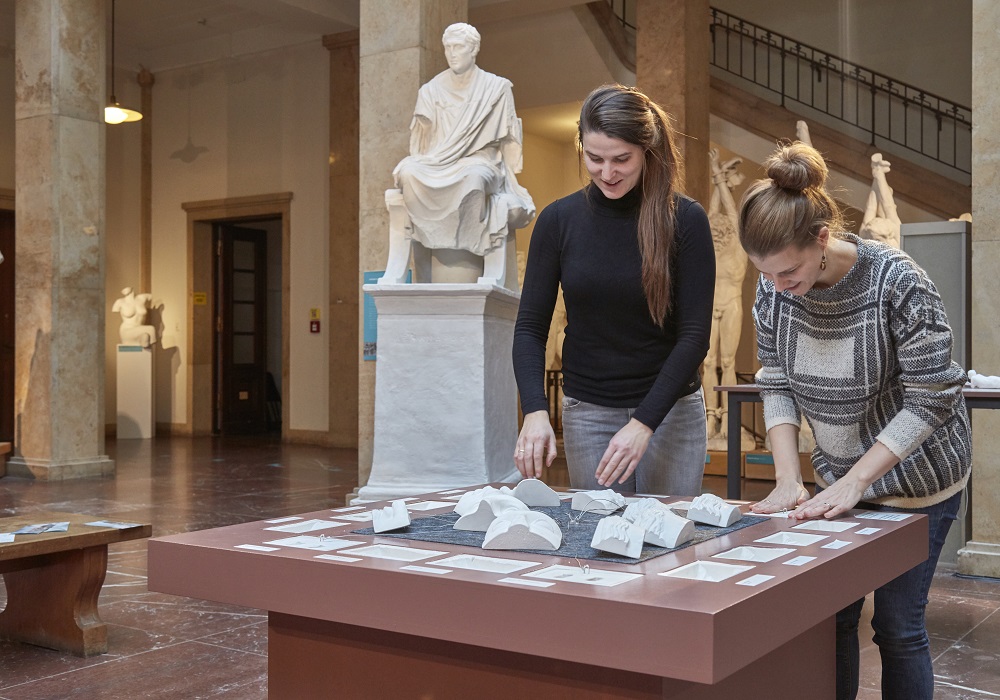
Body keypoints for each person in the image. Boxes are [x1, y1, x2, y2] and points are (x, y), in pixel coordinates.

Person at [738, 141, 971, 700]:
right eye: (764, 274)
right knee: (829, 620)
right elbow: (775, 383)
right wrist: (790, 478)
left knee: (897, 628)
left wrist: (858, 480)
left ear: (822, 239)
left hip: (918, 483)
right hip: (837, 481)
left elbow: (931, 395)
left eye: (787, 272)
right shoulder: (774, 291)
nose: (776, 286)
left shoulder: (896, 281)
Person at [512, 84, 715, 496]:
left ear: (648, 150)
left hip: (670, 413)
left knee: (670, 548)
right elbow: (530, 327)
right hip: (588, 413)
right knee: (602, 548)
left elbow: (693, 337)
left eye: (622, 159)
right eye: (595, 158)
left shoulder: (686, 220)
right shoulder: (558, 221)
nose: (607, 173)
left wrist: (644, 422)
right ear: (581, 147)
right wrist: (535, 410)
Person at [381, 22, 535, 287]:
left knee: (473, 178)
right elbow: (422, 144)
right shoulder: (430, 90)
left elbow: (508, 143)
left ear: (474, 49)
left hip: (480, 160)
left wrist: (508, 175)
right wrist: (426, 157)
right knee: (407, 171)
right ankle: (430, 236)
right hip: (437, 161)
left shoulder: (495, 88)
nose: (452, 53)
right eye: (448, 47)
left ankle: (472, 248)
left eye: (459, 47)